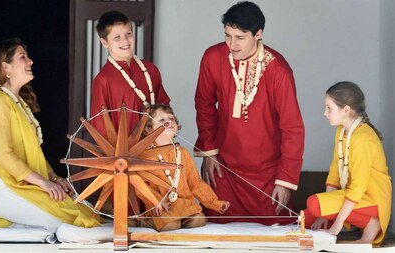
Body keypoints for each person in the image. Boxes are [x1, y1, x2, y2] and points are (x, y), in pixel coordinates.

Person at [0, 38, 100, 232]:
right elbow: (4, 155)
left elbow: (35, 154)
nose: (30, 62)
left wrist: (54, 179)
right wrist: (43, 182)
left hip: (24, 184)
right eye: (23, 57)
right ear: (5, 67)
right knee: (71, 222)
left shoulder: (18, 103)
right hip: (4, 188)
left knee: (83, 210)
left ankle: (21, 224)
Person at [194, 1, 305, 225]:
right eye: (228, 35)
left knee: (276, 231)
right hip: (224, 168)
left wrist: (284, 181)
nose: (232, 44)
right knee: (214, 227)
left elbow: (292, 128)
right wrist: (209, 152)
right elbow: (204, 104)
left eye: (240, 37)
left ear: (258, 34)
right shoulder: (212, 57)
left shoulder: (278, 70)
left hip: (266, 174)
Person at [304, 81, 391, 246]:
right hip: (355, 196)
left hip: (371, 199)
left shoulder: (363, 138)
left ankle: (372, 222)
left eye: (329, 108)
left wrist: (336, 226)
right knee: (307, 218)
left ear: (345, 110)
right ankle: (356, 220)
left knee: (314, 204)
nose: (325, 113)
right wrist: (324, 213)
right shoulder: (341, 131)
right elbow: (335, 172)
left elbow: (358, 186)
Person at [137, 104, 230, 231]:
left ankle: (179, 220)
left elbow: (195, 183)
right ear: (148, 129)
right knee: (171, 225)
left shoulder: (183, 153)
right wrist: (156, 202)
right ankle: (143, 222)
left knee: (199, 220)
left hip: (184, 205)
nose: (169, 122)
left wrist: (215, 203)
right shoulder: (145, 156)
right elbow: (140, 186)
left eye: (172, 119)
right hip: (161, 206)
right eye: (162, 120)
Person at [91, 11, 170, 136]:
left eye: (129, 34)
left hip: (158, 145)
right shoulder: (103, 80)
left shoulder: (150, 69)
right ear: (104, 42)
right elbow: (101, 127)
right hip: (124, 152)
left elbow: (165, 106)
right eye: (117, 37)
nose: (125, 41)